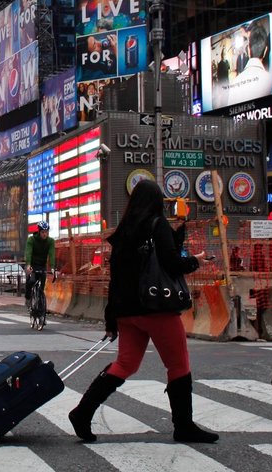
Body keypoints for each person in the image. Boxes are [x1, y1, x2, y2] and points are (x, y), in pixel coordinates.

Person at [68, 179, 218, 444]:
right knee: (178, 364)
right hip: (156, 309)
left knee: (125, 364)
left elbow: (115, 278)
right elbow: (172, 264)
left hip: (126, 312)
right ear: (157, 201)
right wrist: (196, 260)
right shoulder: (157, 224)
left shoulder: (124, 231)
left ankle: (82, 412)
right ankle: (183, 425)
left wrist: (111, 317)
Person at [24, 221, 56, 307]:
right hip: (32, 265)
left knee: (42, 286)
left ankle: (40, 305)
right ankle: (28, 298)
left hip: (42, 265)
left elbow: (52, 254)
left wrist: (53, 267)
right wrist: (28, 265)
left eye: (46, 232)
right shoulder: (31, 239)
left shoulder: (50, 241)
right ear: (39, 231)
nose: (45, 234)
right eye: (43, 232)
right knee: (31, 281)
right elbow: (28, 252)